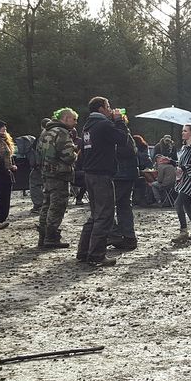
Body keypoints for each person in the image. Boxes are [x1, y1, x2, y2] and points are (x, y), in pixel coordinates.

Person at [77, 96, 122, 266]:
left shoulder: (87, 126)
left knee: (95, 215)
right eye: (108, 106)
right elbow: (121, 138)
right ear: (101, 108)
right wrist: (119, 121)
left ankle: (83, 251)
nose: (111, 109)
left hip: (90, 174)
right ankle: (96, 255)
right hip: (102, 174)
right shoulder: (103, 124)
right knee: (104, 216)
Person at [36, 108, 77, 249]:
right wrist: (76, 153)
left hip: (46, 173)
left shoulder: (45, 132)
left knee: (46, 203)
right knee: (57, 205)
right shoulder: (62, 133)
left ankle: (42, 235)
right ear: (65, 118)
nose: (75, 122)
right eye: (74, 119)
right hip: (60, 174)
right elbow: (68, 155)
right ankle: (51, 236)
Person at [109, 111, 140, 251]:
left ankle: (116, 234)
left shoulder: (121, 135)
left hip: (121, 175)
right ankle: (127, 237)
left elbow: (125, 152)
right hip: (126, 174)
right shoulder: (127, 134)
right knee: (123, 206)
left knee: (107, 206)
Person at [28, 117, 50, 215]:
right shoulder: (54, 135)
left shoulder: (41, 136)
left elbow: (37, 151)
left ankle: (38, 205)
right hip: (50, 165)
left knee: (35, 184)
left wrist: (36, 164)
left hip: (40, 165)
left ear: (41, 126)